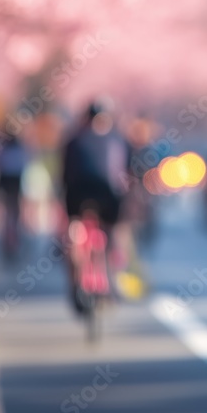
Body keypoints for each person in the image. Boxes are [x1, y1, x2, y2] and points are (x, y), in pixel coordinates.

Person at [60, 99, 131, 308]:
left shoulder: (73, 140)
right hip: (109, 193)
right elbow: (125, 174)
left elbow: (64, 175)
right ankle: (113, 278)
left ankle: (75, 284)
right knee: (113, 231)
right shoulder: (117, 139)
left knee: (74, 232)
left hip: (78, 193)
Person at [0, 130, 29, 257]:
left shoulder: (3, 150)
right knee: (14, 215)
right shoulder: (19, 150)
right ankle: (13, 240)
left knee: (8, 215)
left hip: (7, 185)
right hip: (15, 185)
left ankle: (10, 240)